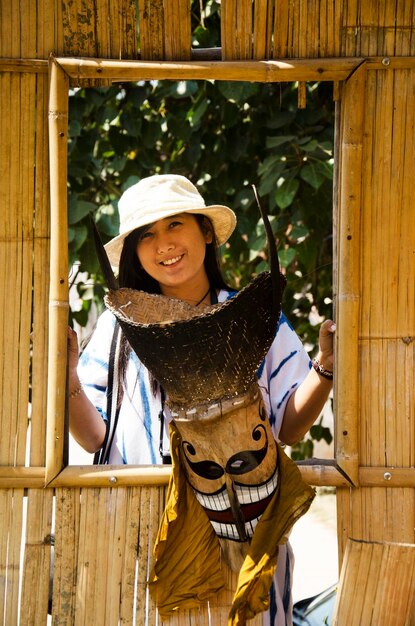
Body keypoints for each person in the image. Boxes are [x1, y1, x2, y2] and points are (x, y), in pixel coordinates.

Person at [67, 173, 335, 625]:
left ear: (206, 232)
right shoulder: (117, 331)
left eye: (175, 225)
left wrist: (326, 366)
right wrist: (66, 376)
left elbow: (288, 428)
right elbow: (95, 437)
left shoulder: (255, 317)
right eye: (146, 235)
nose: (163, 244)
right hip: (145, 548)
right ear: (134, 252)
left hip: (247, 543)